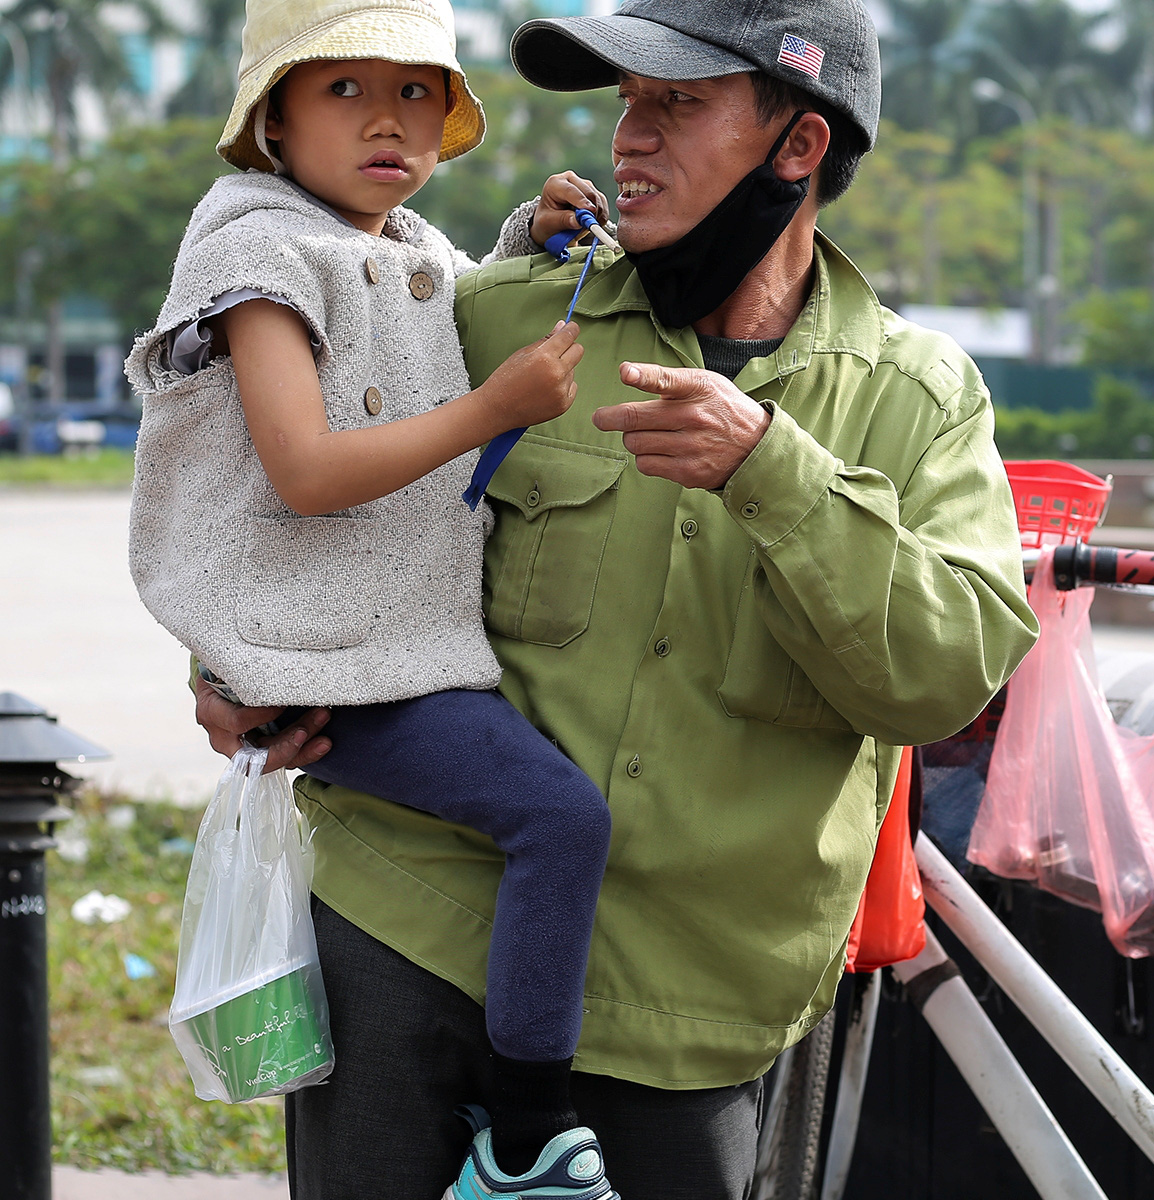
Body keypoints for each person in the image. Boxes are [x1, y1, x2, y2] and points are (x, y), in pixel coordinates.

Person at [193, 1, 1039, 1197]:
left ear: (798, 147)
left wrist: (772, 471)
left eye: (678, 106)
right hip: (415, 938)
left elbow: (942, 683)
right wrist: (234, 667)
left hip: (685, 1009)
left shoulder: (919, 398)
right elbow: (274, 485)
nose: (628, 138)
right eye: (626, 103)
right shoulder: (501, 316)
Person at [127, 0, 634, 1194]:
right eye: (344, 90)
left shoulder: (391, 236)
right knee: (559, 820)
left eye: (416, 92)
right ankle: (524, 1139)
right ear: (274, 120)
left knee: (550, 819)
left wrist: (531, 232)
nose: (389, 121)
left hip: (365, 636)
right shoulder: (253, 253)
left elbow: (437, 307)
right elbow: (304, 470)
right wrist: (492, 411)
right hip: (323, 654)